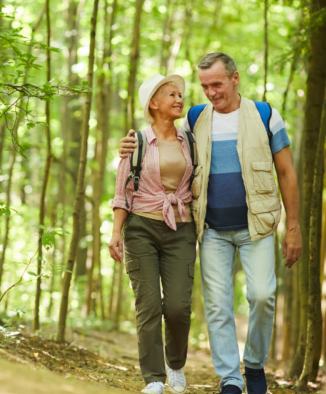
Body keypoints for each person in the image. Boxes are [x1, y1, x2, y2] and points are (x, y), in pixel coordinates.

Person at [118, 53, 302, 394]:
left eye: (216, 84)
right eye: (204, 86)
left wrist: (293, 227)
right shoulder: (196, 118)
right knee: (218, 306)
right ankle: (230, 378)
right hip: (211, 229)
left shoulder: (265, 115)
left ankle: (255, 366)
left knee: (262, 295)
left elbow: (287, 173)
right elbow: (162, 135)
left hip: (257, 226)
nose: (210, 93)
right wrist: (130, 143)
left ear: (234, 79)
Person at [109, 73, 197, 394]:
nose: (178, 99)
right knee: (148, 305)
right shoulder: (137, 142)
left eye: (179, 95)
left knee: (177, 306)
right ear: (154, 104)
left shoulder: (190, 139)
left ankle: (175, 365)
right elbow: (122, 193)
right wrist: (116, 233)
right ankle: (154, 379)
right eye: (171, 95)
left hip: (181, 228)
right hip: (141, 229)